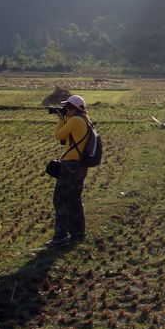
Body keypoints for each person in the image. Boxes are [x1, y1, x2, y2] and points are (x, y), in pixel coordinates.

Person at [48, 95, 92, 246]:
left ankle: (60, 236)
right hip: (81, 165)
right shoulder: (85, 120)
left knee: (60, 200)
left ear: (73, 109)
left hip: (71, 165)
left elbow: (58, 135)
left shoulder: (75, 121)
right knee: (75, 200)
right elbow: (66, 140)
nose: (65, 110)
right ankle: (78, 233)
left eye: (67, 108)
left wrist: (61, 119)